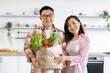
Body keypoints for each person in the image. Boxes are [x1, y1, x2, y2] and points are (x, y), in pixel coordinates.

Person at [24, 6, 66, 73]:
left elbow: (65, 50)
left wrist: (64, 57)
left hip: (56, 69)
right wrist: (32, 58)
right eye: (44, 16)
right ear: (40, 18)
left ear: (54, 16)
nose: (48, 18)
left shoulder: (61, 33)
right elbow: (27, 47)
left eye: (50, 15)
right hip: (38, 69)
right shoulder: (33, 31)